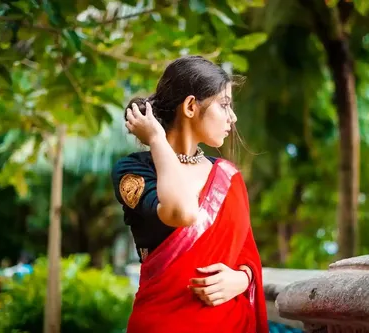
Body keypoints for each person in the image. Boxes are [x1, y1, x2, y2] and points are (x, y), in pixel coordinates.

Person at [111, 55, 268, 333]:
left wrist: (242, 280)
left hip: (229, 323)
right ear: (191, 106)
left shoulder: (228, 177)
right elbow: (182, 213)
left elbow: (248, 255)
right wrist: (157, 139)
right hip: (162, 324)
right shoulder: (133, 171)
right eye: (224, 105)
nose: (232, 117)